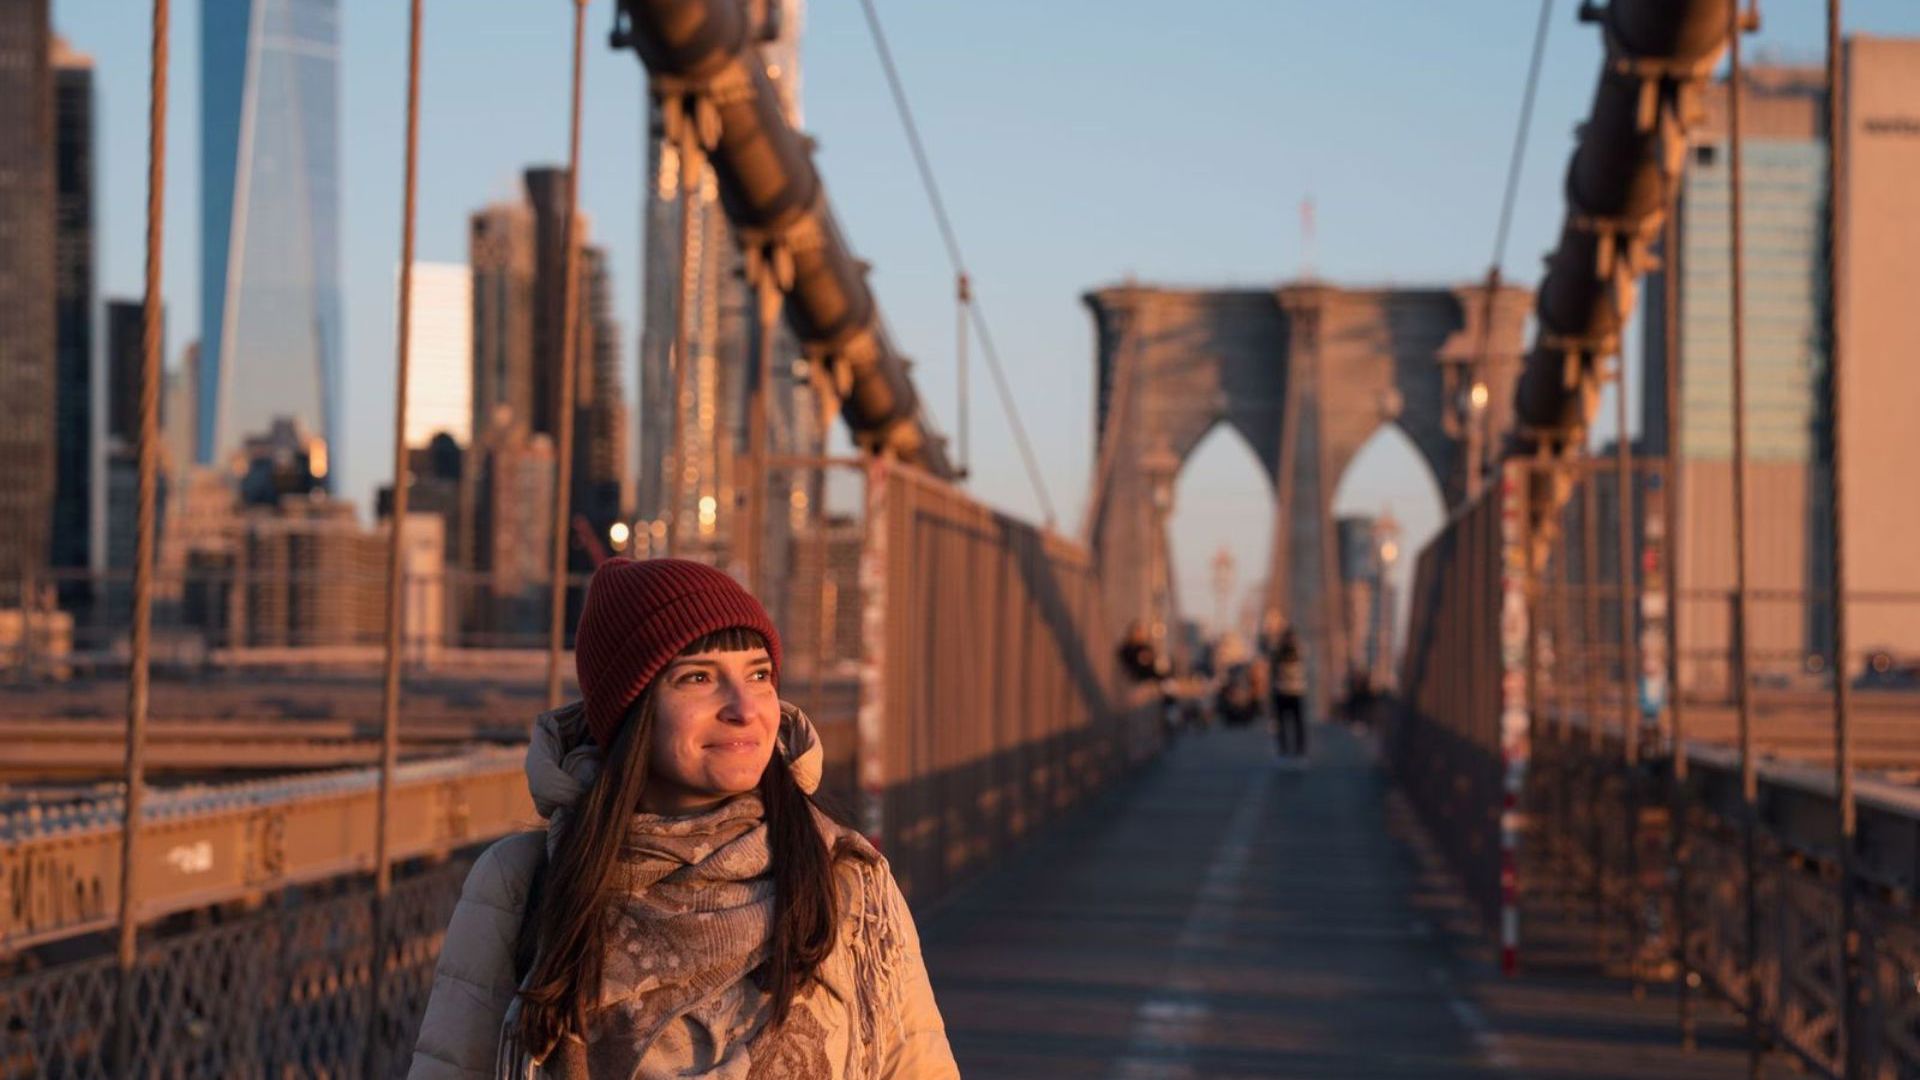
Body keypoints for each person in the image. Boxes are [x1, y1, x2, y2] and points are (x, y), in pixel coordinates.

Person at [409, 558, 958, 1079]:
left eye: (760, 674)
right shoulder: (525, 882)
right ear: (633, 711)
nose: (745, 708)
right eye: (698, 678)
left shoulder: (847, 881)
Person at [1270, 629, 1308, 763]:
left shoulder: (1296, 653)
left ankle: (1298, 750)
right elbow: (1273, 674)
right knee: (1284, 724)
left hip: (1294, 692)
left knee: (1296, 724)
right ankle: (1286, 750)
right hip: (1284, 692)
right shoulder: (1280, 654)